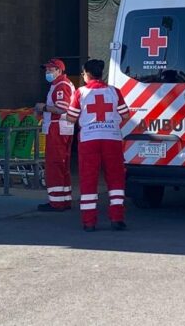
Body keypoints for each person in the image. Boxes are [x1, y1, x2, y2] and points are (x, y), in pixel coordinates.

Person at [66, 59, 130, 232]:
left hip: (89, 140)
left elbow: (71, 118)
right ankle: (117, 218)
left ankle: (89, 222)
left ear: (87, 74)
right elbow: (125, 115)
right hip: (112, 138)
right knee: (116, 177)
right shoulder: (114, 92)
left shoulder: (81, 92)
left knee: (89, 179)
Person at [34, 58, 75, 212]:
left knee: (54, 164)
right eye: (46, 70)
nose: (47, 73)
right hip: (62, 128)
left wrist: (42, 107)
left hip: (57, 129)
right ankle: (63, 199)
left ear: (59, 71)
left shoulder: (60, 86)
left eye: (51, 70)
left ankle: (56, 202)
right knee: (62, 165)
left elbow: (61, 108)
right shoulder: (61, 84)